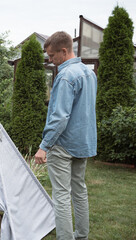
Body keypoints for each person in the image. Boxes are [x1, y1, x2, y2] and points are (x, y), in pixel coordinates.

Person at [34, 31, 97, 240]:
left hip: (62, 144)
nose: (50, 61)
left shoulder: (65, 75)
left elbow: (59, 117)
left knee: (61, 195)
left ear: (64, 50)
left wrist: (44, 146)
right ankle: (82, 237)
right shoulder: (89, 73)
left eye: (52, 56)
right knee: (79, 191)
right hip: (83, 143)